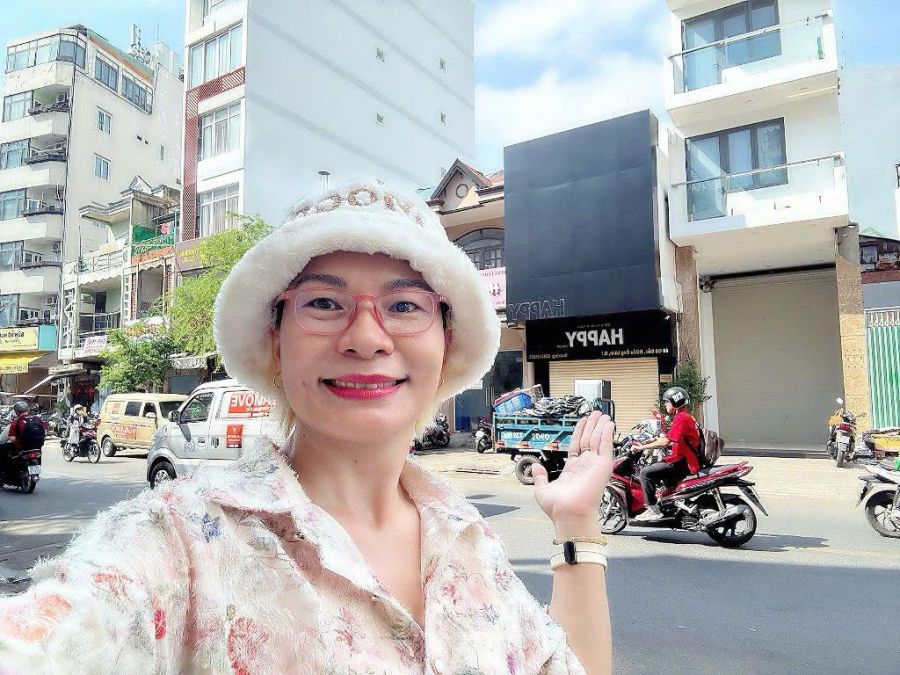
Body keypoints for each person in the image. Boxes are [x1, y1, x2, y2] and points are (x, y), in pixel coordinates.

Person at [0, 181, 614, 673]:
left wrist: (575, 524)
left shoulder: (468, 541)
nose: (367, 338)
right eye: (323, 302)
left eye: (405, 305)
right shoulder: (180, 543)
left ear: (445, 343)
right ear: (275, 341)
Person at [633, 386, 700, 519]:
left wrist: (642, 448)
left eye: (667, 402)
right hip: (683, 459)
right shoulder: (683, 416)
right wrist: (648, 442)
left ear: (675, 402)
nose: (665, 404)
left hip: (682, 462)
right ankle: (670, 504)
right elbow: (671, 438)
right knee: (659, 470)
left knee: (645, 473)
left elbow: (666, 442)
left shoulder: (682, 418)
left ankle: (653, 510)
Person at [0, 400, 30, 471]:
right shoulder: (36, 420)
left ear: (17, 412)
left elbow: (3, 440)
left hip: (20, 449)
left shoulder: (14, 424)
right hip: (35, 448)